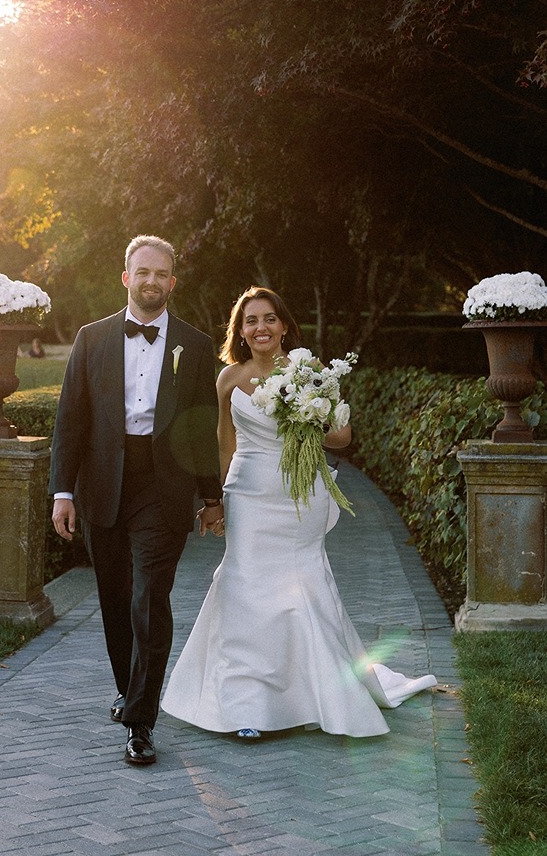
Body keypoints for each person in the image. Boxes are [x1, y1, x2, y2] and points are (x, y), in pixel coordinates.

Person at [162, 286, 437, 739]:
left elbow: (343, 437)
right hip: (247, 495)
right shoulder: (228, 379)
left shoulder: (310, 372)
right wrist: (215, 502)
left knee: (299, 586)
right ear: (240, 331)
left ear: (285, 325)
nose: (261, 327)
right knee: (243, 585)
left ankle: (309, 694)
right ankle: (247, 704)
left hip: (299, 496)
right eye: (251, 320)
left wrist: (305, 417)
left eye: (269, 318)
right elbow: (224, 448)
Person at [49, 235, 224, 766]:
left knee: (150, 596)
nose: (151, 281)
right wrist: (62, 490)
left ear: (173, 282)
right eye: (141, 272)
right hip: (102, 482)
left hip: (162, 487)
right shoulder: (91, 338)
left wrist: (211, 498)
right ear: (126, 278)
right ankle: (131, 690)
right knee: (115, 598)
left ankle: (141, 722)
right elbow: (70, 419)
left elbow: (200, 430)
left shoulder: (194, 346)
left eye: (161, 273)